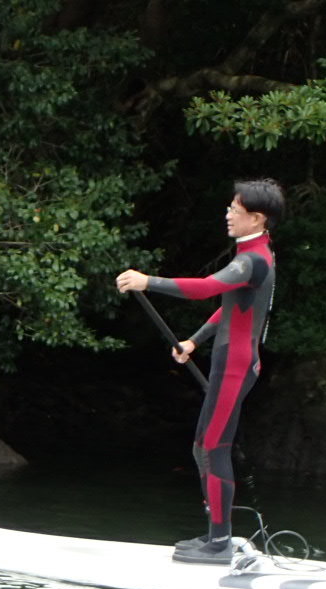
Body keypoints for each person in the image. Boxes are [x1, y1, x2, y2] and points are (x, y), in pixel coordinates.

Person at [116, 178, 284, 564]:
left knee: (212, 447)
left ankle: (219, 544)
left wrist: (149, 281)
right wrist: (194, 341)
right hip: (230, 361)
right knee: (202, 446)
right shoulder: (253, 254)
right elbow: (231, 305)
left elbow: (206, 288)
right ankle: (216, 537)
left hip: (236, 366)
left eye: (234, 210)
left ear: (256, 218)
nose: (227, 214)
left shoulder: (253, 259)